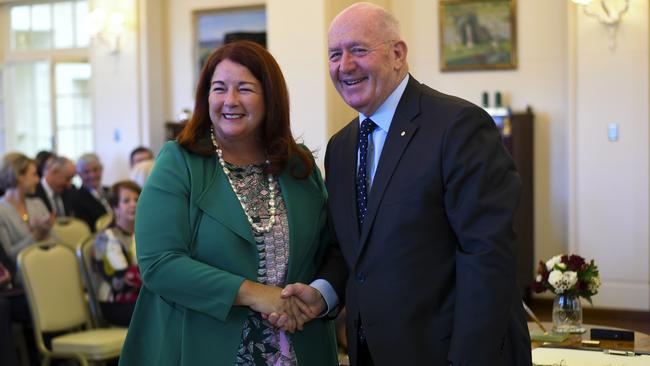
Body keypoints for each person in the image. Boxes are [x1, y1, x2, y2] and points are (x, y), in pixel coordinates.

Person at [274, 3, 532, 365]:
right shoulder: (341, 147)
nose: (344, 65)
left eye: (358, 50)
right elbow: (352, 251)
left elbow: (487, 258)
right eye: (335, 54)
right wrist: (323, 293)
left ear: (398, 54)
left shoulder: (458, 127)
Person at [119, 40, 338, 366]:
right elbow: (159, 264)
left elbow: (332, 247)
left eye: (245, 89)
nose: (230, 101)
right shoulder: (179, 162)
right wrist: (255, 293)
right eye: (218, 88)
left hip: (297, 343)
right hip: (201, 344)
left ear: (270, 97)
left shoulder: (298, 165)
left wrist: (319, 296)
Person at [92, 180, 141, 327]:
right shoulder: (107, 237)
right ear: (115, 208)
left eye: (137, 199)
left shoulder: (143, 233)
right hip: (116, 303)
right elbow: (120, 282)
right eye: (126, 201)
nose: (133, 204)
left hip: (141, 298)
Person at [0, 153, 54, 261]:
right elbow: (8, 256)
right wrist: (35, 237)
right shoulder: (2, 212)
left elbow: (55, 241)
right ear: (19, 176)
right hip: (22, 275)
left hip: (48, 264)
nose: (38, 180)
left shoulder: (37, 204)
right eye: (34, 175)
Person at [73, 153, 111, 231]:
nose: (92, 175)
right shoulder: (76, 198)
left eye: (95, 170)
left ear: (101, 170)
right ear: (79, 175)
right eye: (86, 172)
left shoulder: (111, 191)